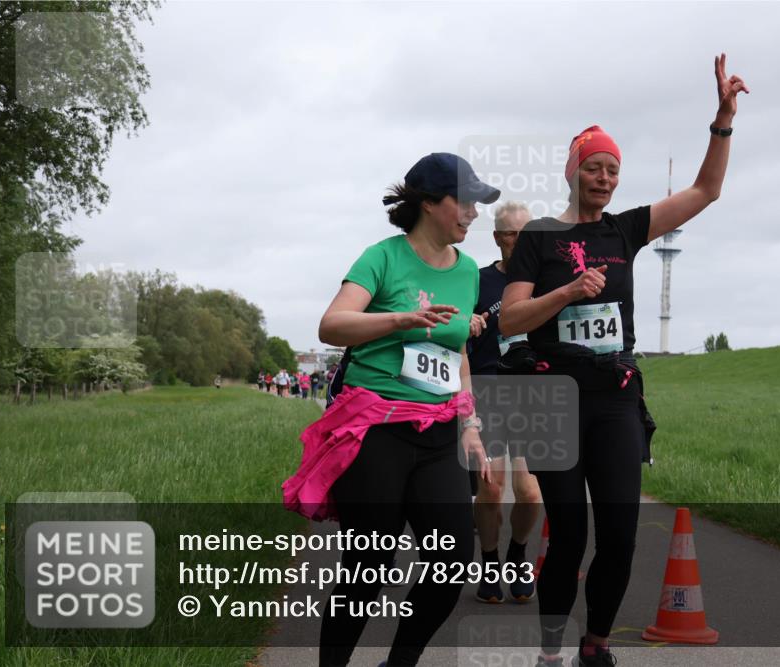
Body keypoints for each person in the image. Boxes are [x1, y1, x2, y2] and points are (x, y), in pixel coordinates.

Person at [499, 54, 749, 666]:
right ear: (573, 171)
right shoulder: (538, 239)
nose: (605, 178)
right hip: (551, 397)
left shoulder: (625, 230)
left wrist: (722, 121)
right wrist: (565, 292)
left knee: (619, 537)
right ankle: (551, 651)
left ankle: (596, 645)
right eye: (594, 168)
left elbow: (706, 191)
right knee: (569, 536)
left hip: (613, 397)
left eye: (613, 169)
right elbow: (509, 320)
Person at [282, 152, 502, 667]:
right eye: (464, 201)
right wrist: (401, 319)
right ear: (429, 203)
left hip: (439, 430)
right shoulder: (381, 258)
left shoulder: (468, 271)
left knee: (450, 564)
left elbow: (456, 353)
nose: (473, 213)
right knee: (369, 565)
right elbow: (332, 325)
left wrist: (469, 422)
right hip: (376, 427)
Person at [466, 201, 542, 604]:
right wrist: (470, 323)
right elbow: (455, 335)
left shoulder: (545, 280)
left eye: (527, 233)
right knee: (491, 490)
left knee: (530, 492)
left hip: (531, 393)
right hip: (488, 390)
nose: (519, 241)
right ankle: (491, 560)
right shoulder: (477, 281)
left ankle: (518, 553)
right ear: (498, 238)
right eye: (511, 234)